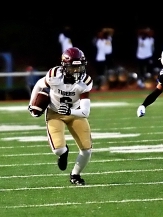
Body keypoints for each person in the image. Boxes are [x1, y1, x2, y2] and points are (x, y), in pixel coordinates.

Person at [28, 47, 93, 185]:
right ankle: (64, 153)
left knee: (87, 150)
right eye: (72, 68)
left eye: (79, 68)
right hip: (55, 113)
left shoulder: (85, 82)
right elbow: (39, 85)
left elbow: (85, 112)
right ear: (64, 67)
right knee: (58, 149)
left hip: (75, 113)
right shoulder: (54, 75)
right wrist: (31, 103)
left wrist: (69, 112)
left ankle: (75, 175)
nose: (76, 71)